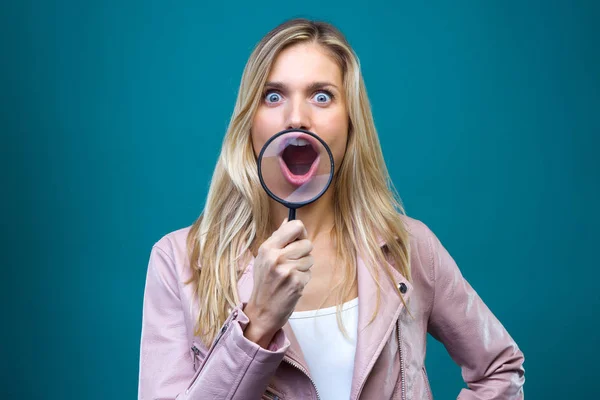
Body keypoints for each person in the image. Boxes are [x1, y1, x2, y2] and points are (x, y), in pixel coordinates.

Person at [138, 18, 525, 400]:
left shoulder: (409, 247)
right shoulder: (180, 262)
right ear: (248, 122)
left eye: (321, 96)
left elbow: (500, 370)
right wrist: (256, 323)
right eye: (273, 95)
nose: (296, 118)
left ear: (351, 122)